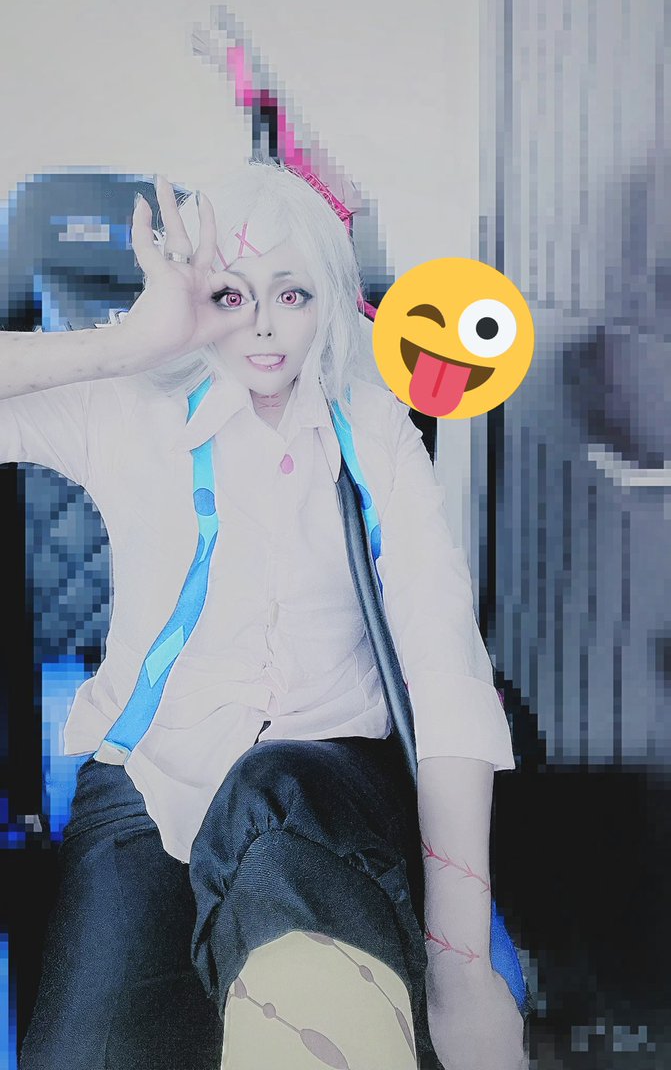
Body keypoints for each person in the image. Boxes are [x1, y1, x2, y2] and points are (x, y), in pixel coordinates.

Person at [4, 160, 527, 1069]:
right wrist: (132, 341)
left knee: (270, 785)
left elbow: (443, 666)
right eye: (229, 295)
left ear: (327, 300)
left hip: (327, 779)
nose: (262, 325)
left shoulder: (374, 429)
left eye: (291, 293)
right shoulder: (125, 409)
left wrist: (460, 967)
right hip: (151, 781)